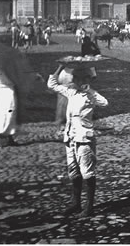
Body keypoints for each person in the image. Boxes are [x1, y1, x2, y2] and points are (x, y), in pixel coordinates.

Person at [47, 64, 109, 217]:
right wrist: (60, 67)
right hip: (70, 136)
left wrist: (89, 90)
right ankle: (75, 203)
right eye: (74, 78)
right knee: (73, 171)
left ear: (85, 79)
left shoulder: (91, 94)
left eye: (77, 78)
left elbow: (104, 102)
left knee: (87, 171)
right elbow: (52, 84)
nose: (74, 80)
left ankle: (89, 207)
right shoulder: (71, 92)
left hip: (84, 137)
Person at [0, 42, 33, 147]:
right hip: (8, 90)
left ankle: (5, 136)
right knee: (9, 113)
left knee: (1, 114)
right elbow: (16, 78)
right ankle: (4, 137)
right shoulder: (6, 68)